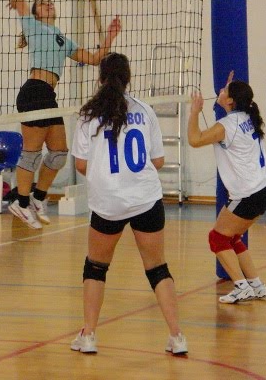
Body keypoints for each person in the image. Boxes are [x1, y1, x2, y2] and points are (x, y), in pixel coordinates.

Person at [69, 53, 186, 356]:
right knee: (157, 268)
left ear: (100, 77)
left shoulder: (87, 115)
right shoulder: (145, 111)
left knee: (96, 267)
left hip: (108, 201)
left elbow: (80, 164)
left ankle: (89, 336)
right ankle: (177, 337)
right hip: (145, 198)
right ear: (128, 78)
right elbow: (157, 160)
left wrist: (107, 174)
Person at [7, 0, 121, 229]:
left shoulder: (62, 38)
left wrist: (110, 37)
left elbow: (94, 59)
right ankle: (21, 202)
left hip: (48, 95)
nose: (48, 4)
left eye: (50, 2)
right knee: (31, 153)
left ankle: (38, 197)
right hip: (33, 92)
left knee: (59, 153)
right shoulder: (33, 26)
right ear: (35, 13)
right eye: (42, 4)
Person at [187, 72, 266, 304]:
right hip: (265, 189)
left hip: (249, 194)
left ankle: (241, 286)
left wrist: (194, 112)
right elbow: (231, 108)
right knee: (232, 237)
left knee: (217, 239)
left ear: (231, 101)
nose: (220, 91)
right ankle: (256, 285)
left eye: (224, 91)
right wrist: (228, 90)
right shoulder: (248, 116)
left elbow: (195, 140)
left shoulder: (226, 126)